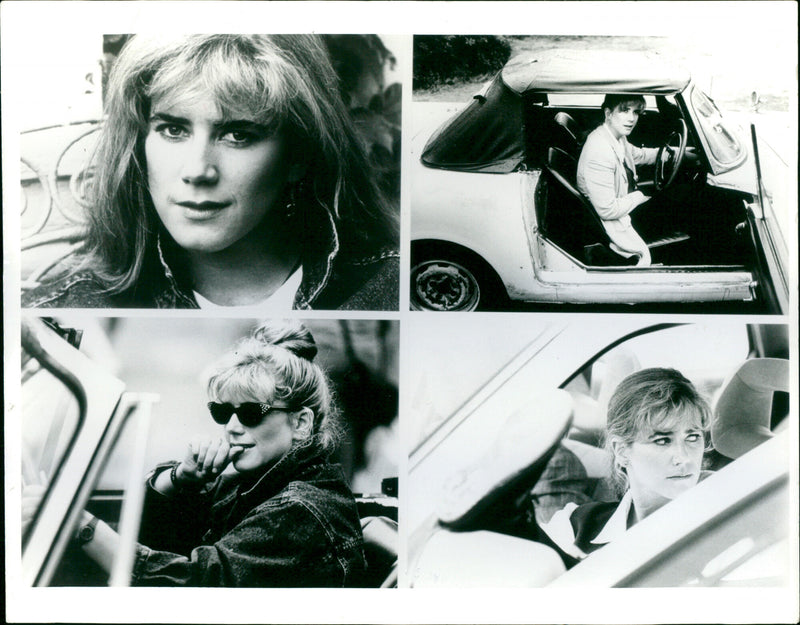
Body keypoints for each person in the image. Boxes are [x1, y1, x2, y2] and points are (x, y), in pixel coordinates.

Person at [23, 34, 399, 310]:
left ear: (298, 155)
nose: (197, 171)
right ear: (140, 143)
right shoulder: (62, 307)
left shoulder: (391, 288)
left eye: (238, 134)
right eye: (173, 130)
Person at [24, 320, 367, 586]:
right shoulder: (250, 483)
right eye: (222, 412)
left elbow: (195, 586)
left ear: (302, 423)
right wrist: (181, 480)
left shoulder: (300, 509)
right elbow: (151, 540)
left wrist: (79, 522)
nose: (232, 426)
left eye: (251, 413)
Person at [541, 368, 711, 564]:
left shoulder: (731, 520)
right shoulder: (575, 526)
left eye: (692, 437)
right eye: (663, 440)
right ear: (621, 450)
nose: (683, 458)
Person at [577, 94, 661, 267]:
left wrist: (677, 153)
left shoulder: (616, 136)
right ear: (608, 113)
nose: (631, 118)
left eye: (636, 112)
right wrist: (639, 196)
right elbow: (607, 211)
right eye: (624, 111)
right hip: (613, 224)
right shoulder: (599, 151)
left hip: (624, 206)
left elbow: (639, 155)